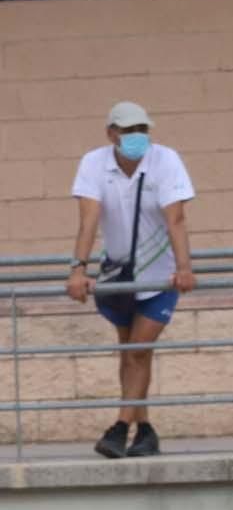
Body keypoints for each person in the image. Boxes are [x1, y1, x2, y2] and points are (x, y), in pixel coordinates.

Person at [67, 100, 196, 459]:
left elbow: (177, 218)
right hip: (120, 273)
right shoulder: (94, 164)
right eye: (128, 131)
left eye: (142, 130)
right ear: (111, 134)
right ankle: (146, 431)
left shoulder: (165, 160)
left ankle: (119, 428)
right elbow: (89, 219)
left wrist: (184, 267)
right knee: (130, 353)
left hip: (159, 274)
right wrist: (78, 268)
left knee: (137, 349)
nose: (137, 137)